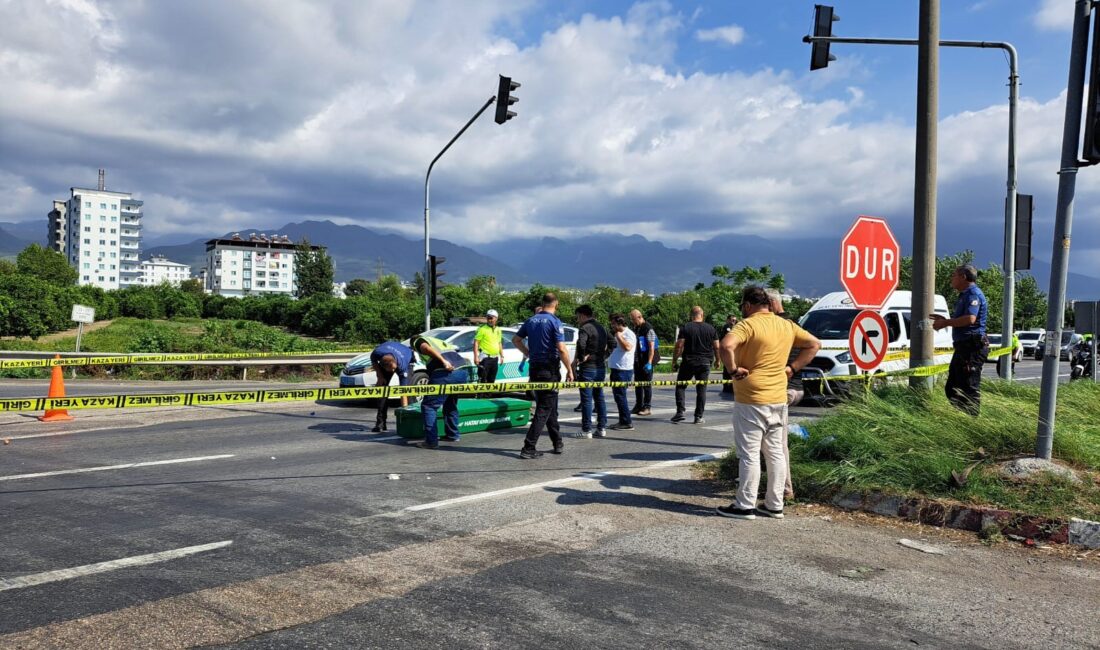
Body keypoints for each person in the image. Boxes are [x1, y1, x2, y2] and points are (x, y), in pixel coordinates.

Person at [716, 286, 821, 520]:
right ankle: (775, 504)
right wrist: (792, 368)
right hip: (778, 397)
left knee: (750, 453)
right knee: (775, 452)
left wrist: (733, 370)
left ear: (747, 306)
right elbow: (814, 344)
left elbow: (725, 346)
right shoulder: (786, 325)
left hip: (751, 398)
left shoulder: (747, 325)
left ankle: (745, 505)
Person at [513, 292, 574, 459]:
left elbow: (515, 340)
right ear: (556, 304)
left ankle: (557, 442)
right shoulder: (555, 321)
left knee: (548, 406)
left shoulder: (531, 320)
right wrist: (569, 369)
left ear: (543, 302)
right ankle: (529, 446)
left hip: (534, 368)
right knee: (545, 408)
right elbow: (561, 349)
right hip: (549, 369)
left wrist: (529, 353)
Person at [932, 264, 989, 416]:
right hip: (963, 347)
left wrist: (946, 323)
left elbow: (971, 319)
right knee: (952, 387)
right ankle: (962, 417)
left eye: (954, 275)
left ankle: (972, 421)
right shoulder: (964, 295)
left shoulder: (973, 294)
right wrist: (947, 320)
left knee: (969, 387)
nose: (952, 278)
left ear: (963, 277)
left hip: (972, 347)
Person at [767, 287, 802, 499]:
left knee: (777, 444)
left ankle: (784, 489)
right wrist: (794, 368)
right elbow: (813, 345)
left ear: (770, 305)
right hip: (795, 387)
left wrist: (789, 369)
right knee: (772, 442)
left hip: (783, 389)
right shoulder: (794, 324)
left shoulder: (778, 325)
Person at [410, 334, 470, 450]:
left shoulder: (418, 341)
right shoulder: (437, 340)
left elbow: (426, 348)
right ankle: (452, 435)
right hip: (461, 372)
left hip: (445, 372)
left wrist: (444, 362)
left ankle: (431, 441)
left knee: (429, 406)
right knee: (449, 403)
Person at [671, 306, 719, 425]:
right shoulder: (711, 328)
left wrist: (674, 361)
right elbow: (717, 346)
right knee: (701, 390)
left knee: (681, 386)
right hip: (705, 363)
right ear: (702, 315)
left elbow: (679, 345)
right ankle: (698, 416)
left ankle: (680, 412)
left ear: (691, 315)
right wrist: (718, 360)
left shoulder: (686, 327)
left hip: (688, 362)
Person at [572, 305, 609, 439]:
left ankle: (586, 430)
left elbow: (581, 345)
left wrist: (581, 358)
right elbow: (613, 342)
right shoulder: (602, 327)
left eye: (577, 317)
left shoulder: (584, 328)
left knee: (587, 399)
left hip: (588, 368)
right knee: (600, 397)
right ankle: (602, 428)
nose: (577, 320)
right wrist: (604, 356)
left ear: (582, 315)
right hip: (600, 367)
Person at [368, 340, 414, 432]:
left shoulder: (402, 365)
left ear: (395, 363)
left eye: (394, 369)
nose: (393, 371)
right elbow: (374, 361)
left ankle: (408, 420)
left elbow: (403, 391)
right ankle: (380, 423)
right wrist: (380, 376)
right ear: (383, 364)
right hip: (389, 354)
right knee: (382, 390)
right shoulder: (376, 353)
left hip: (407, 357)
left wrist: (404, 410)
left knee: (407, 392)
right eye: (390, 370)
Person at [607, 313, 637, 431]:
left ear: (619, 323)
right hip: (616, 369)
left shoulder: (628, 334)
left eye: (613, 323)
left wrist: (619, 336)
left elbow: (628, 347)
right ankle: (623, 420)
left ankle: (626, 422)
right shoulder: (618, 334)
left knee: (620, 396)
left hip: (623, 370)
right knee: (618, 396)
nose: (612, 325)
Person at [629, 309, 658, 416]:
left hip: (646, 361)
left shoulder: (648, 329)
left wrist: (649, 362)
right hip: (638, 361)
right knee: (638, 384)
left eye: (633, 319)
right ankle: (638, 405)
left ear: (639, 317)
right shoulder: (636, 328)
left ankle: (647, 407)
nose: (632, 321)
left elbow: (651, 347)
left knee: (646, 384)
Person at [473, 309, 503, 385]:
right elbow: (476, 343)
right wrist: (476, 357)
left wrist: (502, 356)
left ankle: (489, 396)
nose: (489, 320)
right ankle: (481, 396)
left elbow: (499, 343)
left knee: (491, 380)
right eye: (488, 318)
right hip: (485, 358)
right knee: (483, 380)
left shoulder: (498, 329)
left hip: (495, 358)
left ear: (496, 318)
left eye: (491, 318)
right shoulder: (482, 329)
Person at [719, 315, 739, 395]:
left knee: (734, 368)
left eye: (734, 320)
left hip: (736, 352)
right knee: (727, 369)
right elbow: (723, 339)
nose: (733, 322)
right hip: (728, 351)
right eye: (732, 320)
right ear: (728, 320)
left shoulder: (738, 327)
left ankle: (733, 387)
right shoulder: (726, 327)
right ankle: (726, 387)